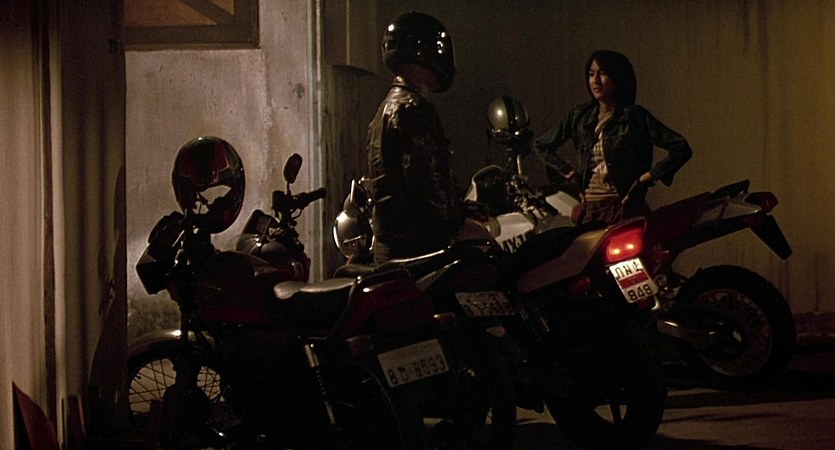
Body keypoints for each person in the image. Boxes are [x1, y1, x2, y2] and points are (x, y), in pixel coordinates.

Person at [533, 50, 693, 225]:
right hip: (591, 209)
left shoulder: (633, 116)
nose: (595, 80)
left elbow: (680, 147)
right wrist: (569, 174)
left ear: (617, 77)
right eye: (591, 74)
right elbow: (542, 145)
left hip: (623, 207)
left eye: (602, 73)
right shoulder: (580, 116)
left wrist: (645, 179)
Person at [365, 11, 465, 264]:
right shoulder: (413, 109)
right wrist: (457, 224)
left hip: (392, 247)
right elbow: (429, 184)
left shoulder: (386, 107)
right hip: (418, 250)